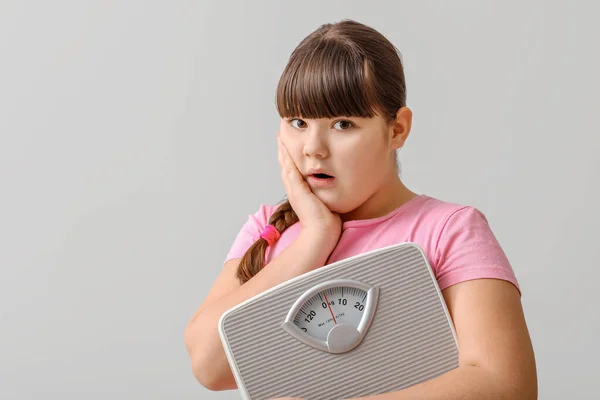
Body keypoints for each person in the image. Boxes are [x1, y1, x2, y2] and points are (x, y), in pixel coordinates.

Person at [184, 19, 537, 400]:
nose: (313, 147)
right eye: (298, 122)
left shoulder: (449, 230)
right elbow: (209, 366)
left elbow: (506, 385)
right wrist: (315, 239)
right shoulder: (267, 229)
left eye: (342, 123)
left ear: (397, 129)